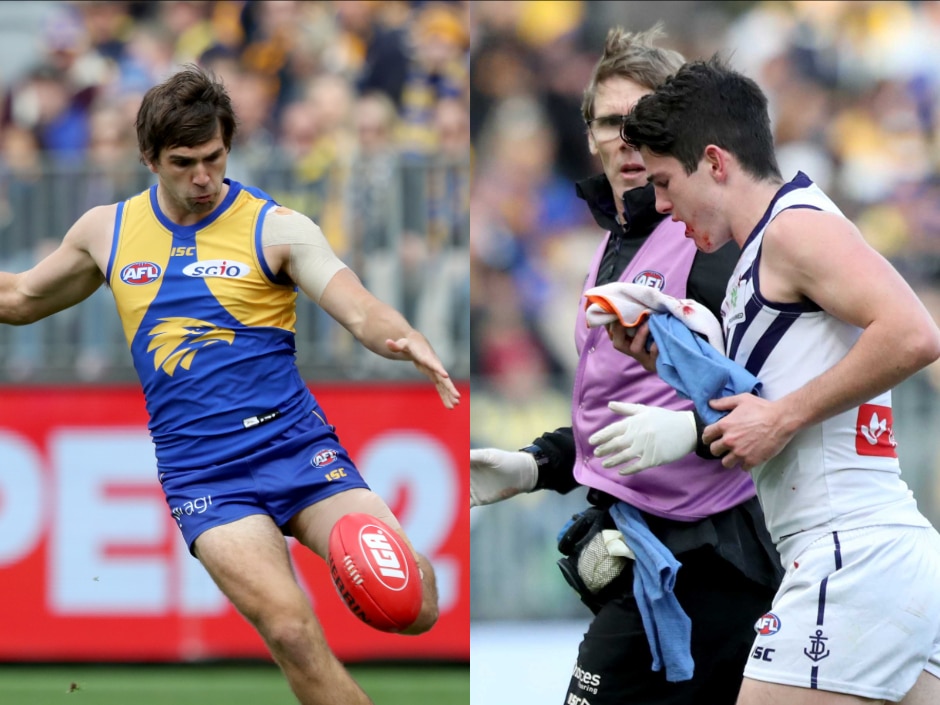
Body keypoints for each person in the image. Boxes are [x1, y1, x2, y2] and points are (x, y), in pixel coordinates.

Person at [0, 64, 460, 705]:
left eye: (214, 158)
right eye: (183, 162)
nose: (202, 178)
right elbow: (20, 296)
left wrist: (402, 333)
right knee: (290, 630)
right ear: (148, 158)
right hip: (205, 475)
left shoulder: (276, 227)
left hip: (298, 450)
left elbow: (355, 304)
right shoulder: (107, 231)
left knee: (417, 605)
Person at [470, 26, 782, 704]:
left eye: (645, 121)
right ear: (588, 134)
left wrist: (692, 432)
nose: (628, 138)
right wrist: (538, 464)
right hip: (659, 549)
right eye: (612, 121)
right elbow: (625, 405)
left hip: (708, 551)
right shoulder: (616, 241)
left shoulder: (708, 240)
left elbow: (773, 394)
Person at [617, 55, 940, 704]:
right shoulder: (761, 254)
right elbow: (771, 406)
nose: (658, 205)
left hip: (849, 554)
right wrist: (670, 368)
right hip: (882, 556)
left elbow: (914, 333)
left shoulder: (794, 228)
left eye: (662, 181)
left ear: (714, 162)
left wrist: (783, 414)